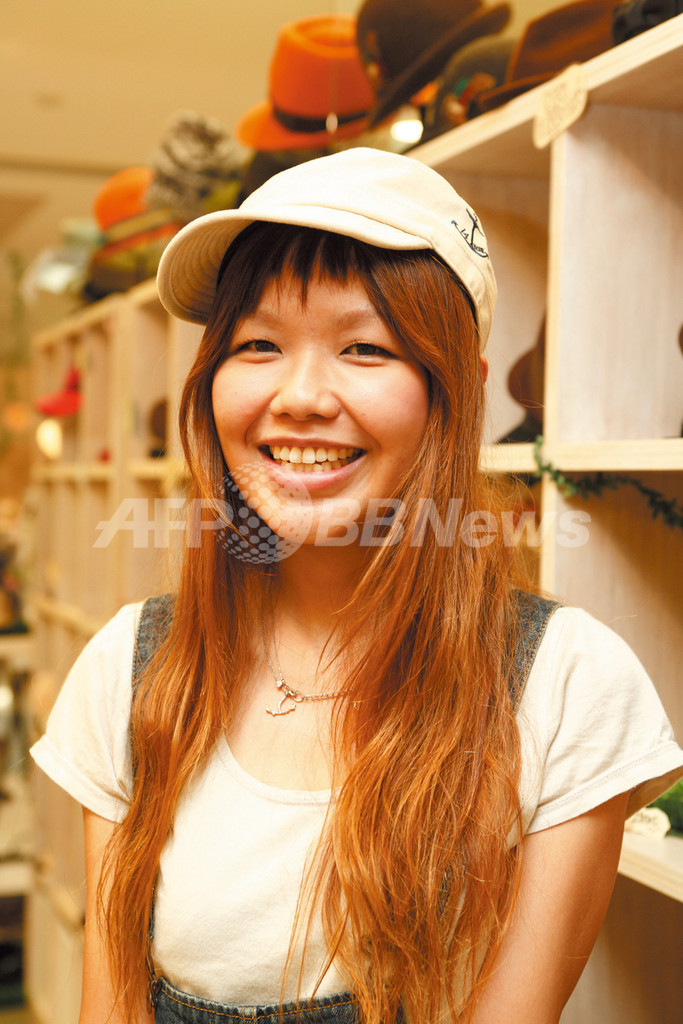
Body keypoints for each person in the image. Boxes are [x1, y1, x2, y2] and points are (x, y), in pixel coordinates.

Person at [32, 148, 683, 1024]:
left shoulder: (565, 685)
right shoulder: (134, 667)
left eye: (364, 348)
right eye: (257, 345)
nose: (300, 396)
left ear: (458, 391)